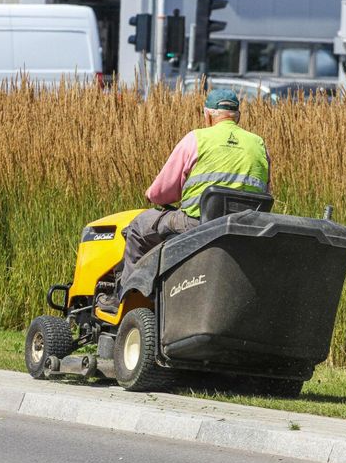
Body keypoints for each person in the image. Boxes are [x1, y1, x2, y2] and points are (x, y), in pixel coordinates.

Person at [96, 89, 271, 313]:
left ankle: (125, 299)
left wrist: (153, 196)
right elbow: (266, 192)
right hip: (245, 229)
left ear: (208, 115)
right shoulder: (259, 144)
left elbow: (161, 193)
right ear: (238, 116)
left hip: (197, 224)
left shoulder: (196, 139)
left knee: (139, 227)